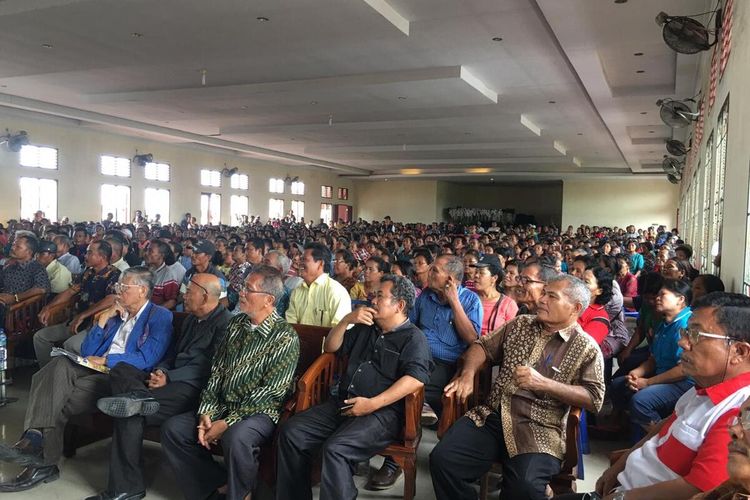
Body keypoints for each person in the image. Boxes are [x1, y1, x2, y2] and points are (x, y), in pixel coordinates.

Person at [559, 293, 750, 500]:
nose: (683, 343)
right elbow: (661, 431)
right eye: (686, 332)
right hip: (624, 487)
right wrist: (618, 468)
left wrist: (620, 498)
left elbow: (696, 488)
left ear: (739, 351)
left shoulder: (738, 412)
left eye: (696, 335)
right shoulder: (704, 387)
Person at [430, 274, 605, 500]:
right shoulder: (521, 324)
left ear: (575, 307)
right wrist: (467, 374)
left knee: (524, 487)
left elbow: (594, 398)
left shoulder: (586, 348)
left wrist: (546, 384)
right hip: (492, 416)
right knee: (443, 460)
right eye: (544, 293)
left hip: (540, 429)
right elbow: (482, 346)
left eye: (552, 296)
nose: (542, 300)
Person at [0, 267, 173, 492]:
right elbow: (87, 348)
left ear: (142, 290)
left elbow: (147, 358)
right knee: (60, 365)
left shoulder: (159, 315)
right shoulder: (116, 312)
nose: (118, 290)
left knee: (54, 393)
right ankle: (37, 450)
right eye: (118, 286)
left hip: (122, 377)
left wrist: (106, 360)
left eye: (124, 287)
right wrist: (101, 320)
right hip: (92, 368)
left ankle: (38, 451)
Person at [276, 274, 433, 500]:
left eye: (380, 296)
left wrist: (371, 405)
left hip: (381, 414)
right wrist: (346, 320)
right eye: (374, 295)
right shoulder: (364, 327)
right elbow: (331, 347)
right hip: (343, 403)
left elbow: (416, 378)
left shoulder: (413, 338)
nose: (373, 300)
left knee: (337, 448)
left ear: (400, 305)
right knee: (291, 432)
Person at [84, 273, 231, 500]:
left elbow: (211, 366)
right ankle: (137, 398)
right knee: (122, 368)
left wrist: (170, 377)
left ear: (204, 296)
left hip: (194, 388)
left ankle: (126, 488)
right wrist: (162, 370)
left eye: (189, 291)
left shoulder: (225, 323)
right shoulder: (193, 319)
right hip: (170, 381)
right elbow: (173, 352)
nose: (184, 294)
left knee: (130, 413)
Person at [160, 266, 300, 500]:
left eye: (248, 289)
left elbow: (270, 392)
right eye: (243, 286)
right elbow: (216, 372)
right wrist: (207, 412)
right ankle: (211, 488)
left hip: (259, 412)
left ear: (268, 300)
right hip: (223, 405)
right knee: (174, 430)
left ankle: (240, 494)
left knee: (236, 437)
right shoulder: (236, 325)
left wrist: (227, 422)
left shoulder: (284, 336)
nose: (240, 293)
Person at [368, 254, 482, 491]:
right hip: (416, 356)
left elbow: (472, 339)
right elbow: (410, 327)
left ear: (451, 278)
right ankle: (374, 445)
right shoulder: (425, 297)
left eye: (435, 271)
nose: (429, 274)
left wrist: (454, 302)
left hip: (446, 365)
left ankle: (395, 460)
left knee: (406, 393)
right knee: (383, 380)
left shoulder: (470, 300)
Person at [609, 279, 694, 443]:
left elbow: (683, 369)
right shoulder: (664, 323)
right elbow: (653, 358)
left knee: (641, 402)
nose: (657, 298)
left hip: (683, 382)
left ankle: (662, 441)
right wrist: (638, 373)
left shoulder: (685, 325)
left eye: (663, 295)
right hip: (663, 376)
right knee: (619, 384)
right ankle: (626, 428)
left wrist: (648, 382)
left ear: (680, 299)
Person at [33, 240, 121, 366]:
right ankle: (48, 373)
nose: (85, 256)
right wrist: (48, 307)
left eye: (90, 253)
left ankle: (67, 379)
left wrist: (83, 315)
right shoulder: (88, 272)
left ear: (102, 257)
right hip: (76, 321)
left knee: (70, 345)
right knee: (40, 337)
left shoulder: (114, 275)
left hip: (95, 326)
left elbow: (111, 299)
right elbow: (71, 291)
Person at [285, 243, 351, 327]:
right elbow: (291, 325)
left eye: (304, 259)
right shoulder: (297, 290)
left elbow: (340, 330)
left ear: (320, 264)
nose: (299, 263)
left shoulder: (336, 292)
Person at [0, 232, 51, 325]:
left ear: (29, 252)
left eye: (18, 247)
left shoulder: (36, 268)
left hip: (20, 309)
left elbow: (42, 289)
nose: (12, 248)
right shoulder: (10, 265)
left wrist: (15, 298)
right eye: (13, 245)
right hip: (4, 302)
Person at [472, 257, 518, 335]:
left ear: (494, 278)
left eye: (481, 273)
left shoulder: (508, 304)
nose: (476, 275)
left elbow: (512, 336)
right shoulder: (469, 299)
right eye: (476, 272)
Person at [178, 239, 228, 306]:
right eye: (193, 252)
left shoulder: (217, 278)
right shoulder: (189, 273)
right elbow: (182, 294)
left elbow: (223, 302)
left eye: (197, 253)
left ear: (208, 257)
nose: (193, 255)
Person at [578, 266, 614, 346]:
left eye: (586, 282)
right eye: (580, 280)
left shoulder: (600, 319)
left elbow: (583, 348)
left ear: (599, 291)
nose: (580, 284)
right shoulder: (573, 303)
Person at [143, 239, 179, 310]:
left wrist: (154, 311)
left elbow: (172, 302)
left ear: (161, 255)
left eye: (150, 251)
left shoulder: (169, 274)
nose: (146, 253)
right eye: (147, 250)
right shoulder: (144, 269)